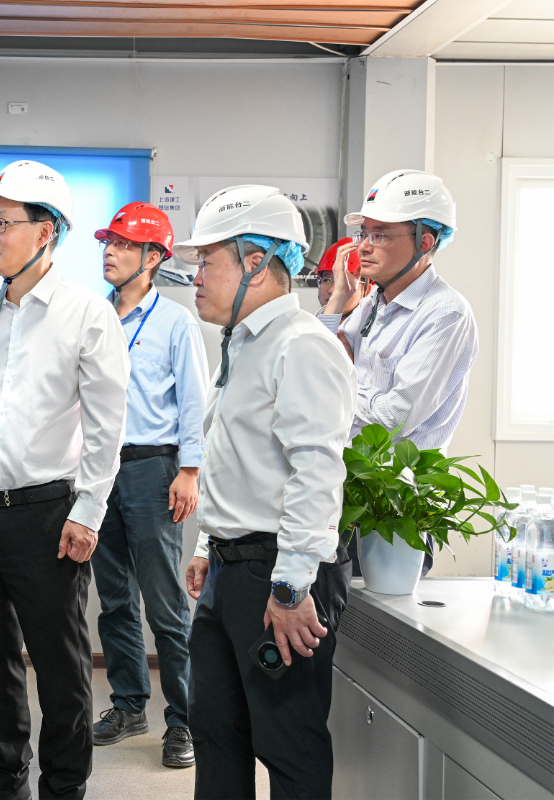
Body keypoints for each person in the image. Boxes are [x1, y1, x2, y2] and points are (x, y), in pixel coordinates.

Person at [0, 160, 129, 800]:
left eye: (3, 223)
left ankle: (63, 787)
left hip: (49, 515)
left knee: (61, 664)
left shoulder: (86, 314)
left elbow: (107, 426)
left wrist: (88, 512)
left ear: (46, 232)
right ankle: (6, 773)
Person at [177, 185, 356, 799]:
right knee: (215, 733)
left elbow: (317, 473)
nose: (196, 276)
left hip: (279, 575)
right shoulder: (242, 343)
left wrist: (290, 587)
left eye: (208, 261)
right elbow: (236, 457)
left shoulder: (302, 345)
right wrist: (209, 545)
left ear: (256, 262)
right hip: (232, 569)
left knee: (288, 744)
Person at [90, 202, 207, 768]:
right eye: (107, 243)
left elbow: (194, 400)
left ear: (154, 256)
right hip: (98, 470)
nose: (109, 252)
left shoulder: (174, 321)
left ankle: (183, 721)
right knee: (114, 599)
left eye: (122, 244)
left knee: (164, 604)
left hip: (153, 468)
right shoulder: (94, 316)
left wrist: (190, 470)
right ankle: (129, 705)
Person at [321, 170, 476, 575]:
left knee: (373, 615)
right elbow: (316, 366)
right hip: (345, 495)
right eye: (363, 233)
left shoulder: (445, 313)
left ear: (425, 242)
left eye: (381, 235)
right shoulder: (375, 303)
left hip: (392, 511)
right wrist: (338, 300)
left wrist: (343, 387)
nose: (363, 246)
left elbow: (393, 418)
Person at [314, 237, 364, 321]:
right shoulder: (308, 326)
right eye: (326, 280)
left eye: (345, 281)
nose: (332, 290)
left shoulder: (376, 328)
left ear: (367, 289)